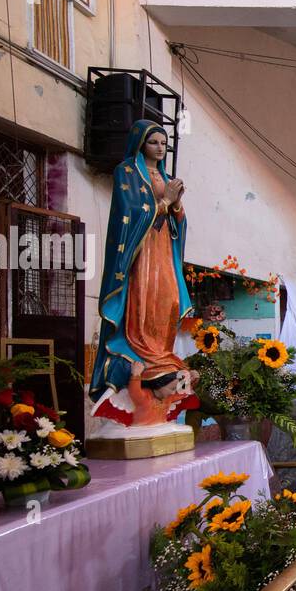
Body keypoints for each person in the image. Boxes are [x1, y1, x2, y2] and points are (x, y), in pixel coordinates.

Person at [89, 120, 193, 409]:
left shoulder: (166, 177)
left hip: (163, 250)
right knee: (143, 299)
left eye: (163, 143)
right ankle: (144, 355)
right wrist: (164, 202)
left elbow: (178, 225)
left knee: (170, 300)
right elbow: (130, 215)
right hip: (140, 253)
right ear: (140, 144)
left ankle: (162, 354)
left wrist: (176, 205)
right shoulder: (126, 173)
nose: (160, 148)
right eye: (154, 142)